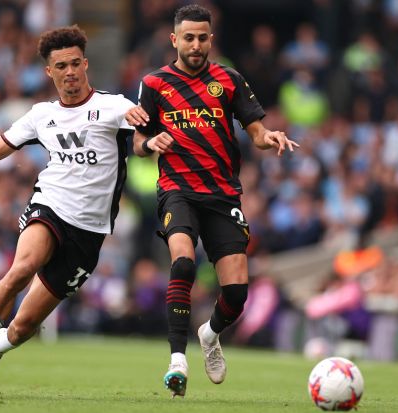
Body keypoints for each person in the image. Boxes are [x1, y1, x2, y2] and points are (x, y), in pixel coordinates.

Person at [0, 25, 135, 388]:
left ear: (86, 64)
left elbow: (148, 135)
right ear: (49, 71)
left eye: (75, 63)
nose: (70, 72)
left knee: (24, 326)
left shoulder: (114, 107)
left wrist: (153, 137)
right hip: (51, 205)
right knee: (22, 268)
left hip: (89, 232)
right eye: (61, 66)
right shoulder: (41, 115)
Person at [125, 4, 299, 397]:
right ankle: (176, 359)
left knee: (236, 294)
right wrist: (151, 141)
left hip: (222, 194)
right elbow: (137, 141)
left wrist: (269, 137)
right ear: (175, 40)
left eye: (203, 37)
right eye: (189, 37)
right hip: (178, 190)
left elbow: (255, 130)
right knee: (183, 261)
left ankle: (209, 334)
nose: (196, 44)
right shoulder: (154, 84)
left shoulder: (229, 79)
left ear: (211, 39)